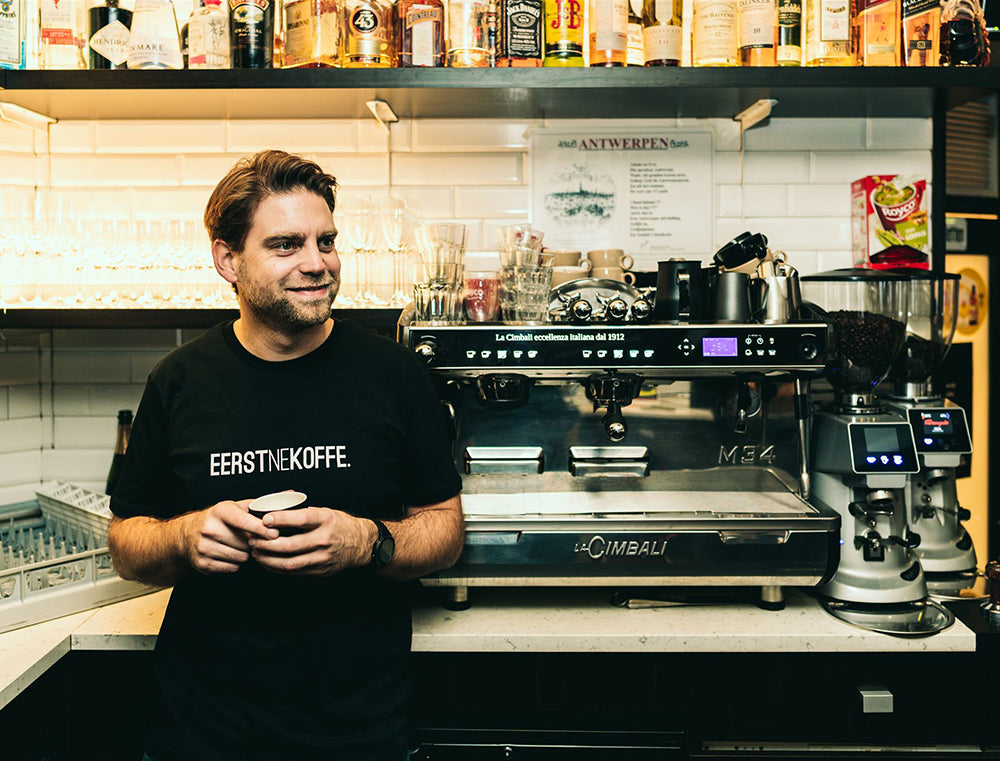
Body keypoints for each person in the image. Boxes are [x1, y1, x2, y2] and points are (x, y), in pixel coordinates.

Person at [107, 149, 464, 761]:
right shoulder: (179, 379)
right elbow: (125, 542)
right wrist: (181, 538)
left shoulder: (395, 374)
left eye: (326, 241)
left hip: (358, 727)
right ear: (228, 260)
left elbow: (446, 530)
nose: (317, 263)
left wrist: (365, 541)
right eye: (286, 245)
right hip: (200, 727)